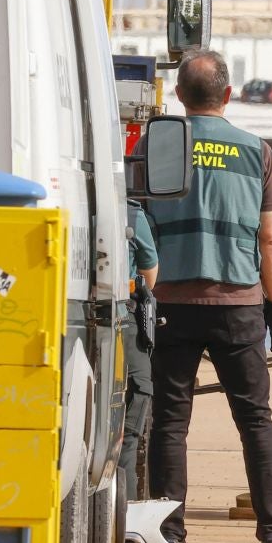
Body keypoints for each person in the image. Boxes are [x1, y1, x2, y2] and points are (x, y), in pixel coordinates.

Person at [146, 49, 272, 543]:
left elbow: (138, 225)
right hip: (239, 304)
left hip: (170, 302)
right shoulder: (257, 150)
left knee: (169, 421)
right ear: (228, 96)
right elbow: (271, 236)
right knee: (256, 420)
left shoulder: (156, 143)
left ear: (180, 96)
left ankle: (172, 540)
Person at [120, 200, 158, 505]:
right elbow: (150, 273)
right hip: (125, 326)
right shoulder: (131, 213)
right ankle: (124, 527)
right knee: (127, 435)